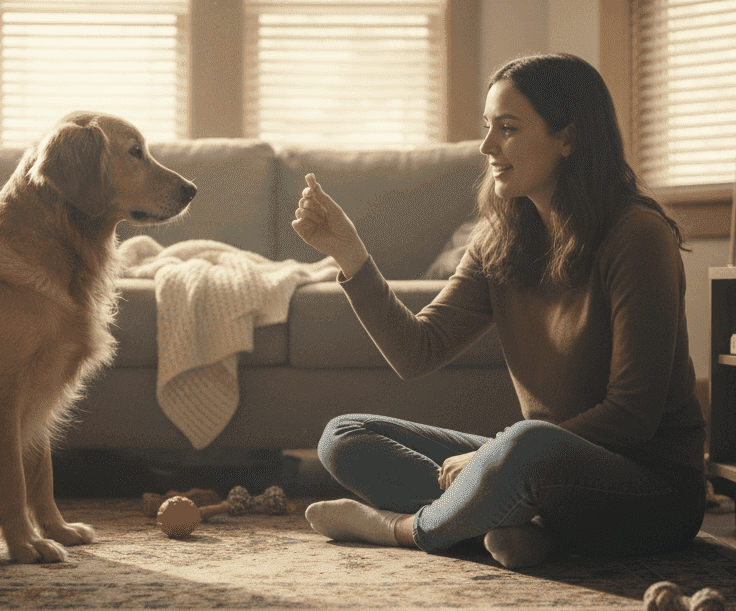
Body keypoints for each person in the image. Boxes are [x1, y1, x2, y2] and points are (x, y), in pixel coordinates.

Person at [291, 53, 707, 568]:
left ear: (569, 139)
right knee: (345, 436)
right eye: (488, 128)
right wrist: (350, 253)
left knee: (526, 445)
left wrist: (494, 458)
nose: (487, 147)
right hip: (536, 470)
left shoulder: (638, 236)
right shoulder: (499, 237)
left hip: (648, 492)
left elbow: (633, 416)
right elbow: (417, 352)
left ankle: (402, 529)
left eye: (507, 129)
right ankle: (523, 529)